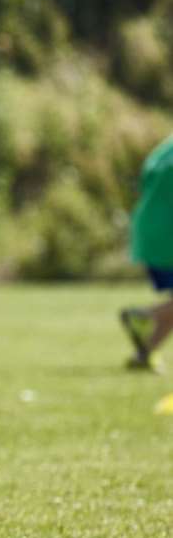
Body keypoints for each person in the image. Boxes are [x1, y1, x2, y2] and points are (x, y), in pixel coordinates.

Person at [121, 132, 173, 373]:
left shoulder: (166, 146)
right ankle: (146, 315)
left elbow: (144, 181)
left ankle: (144, 354)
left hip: (148, 227)